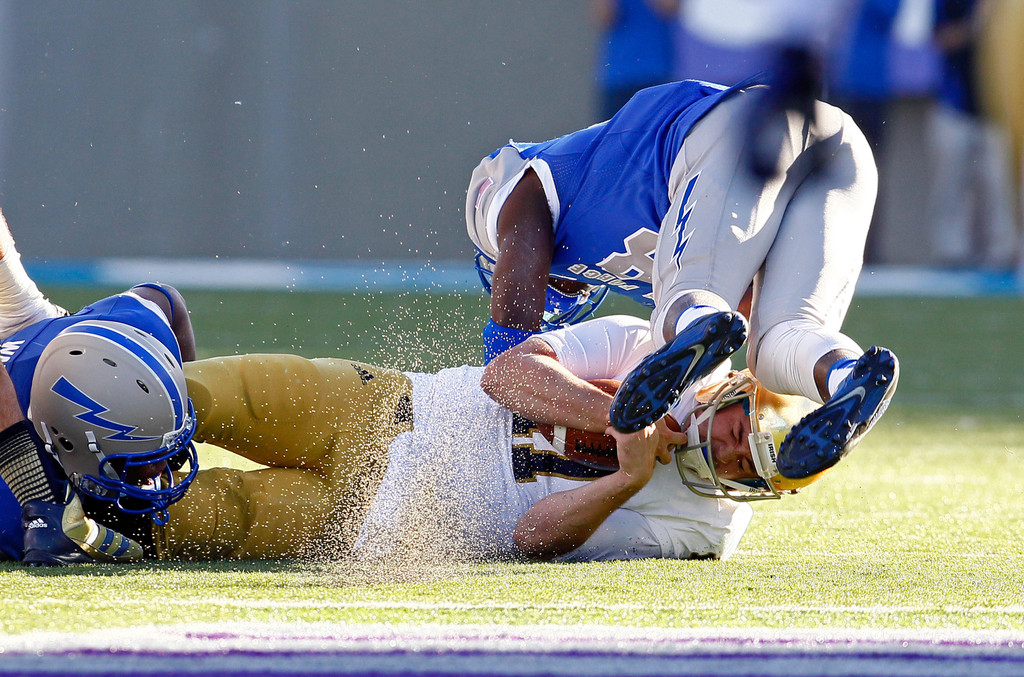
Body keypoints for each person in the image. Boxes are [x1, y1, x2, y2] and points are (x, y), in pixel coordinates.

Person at [44, 314, 841, 563]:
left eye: (747, 464)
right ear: (737, 391)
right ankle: (34, 380)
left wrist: (623, 482)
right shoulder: (650, 344)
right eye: (740, 430)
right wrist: (620, 415)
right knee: (188, 393)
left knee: (149, 523)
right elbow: (506, 378)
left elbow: (532, 538)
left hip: (367, 522)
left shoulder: (701, 528)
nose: (730, 449)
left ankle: (35, 500)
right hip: (390, 406)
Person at [466, 75, 899, 483]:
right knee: (777, 344)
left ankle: (699, 318)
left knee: (687, 304)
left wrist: (506, 351)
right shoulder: (627, 269)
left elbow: (522, 242)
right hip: (843, 152)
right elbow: (745, 309)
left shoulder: (517, 193)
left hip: (742, 128)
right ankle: (847, 376)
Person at [0, 208, 196, 564]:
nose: (160, 467)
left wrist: (179, 402)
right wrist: (38, 502)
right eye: (146, 455)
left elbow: (164, 299)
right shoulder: (7, 516)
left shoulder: (129, 325)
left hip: (38, 328)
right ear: (72, 445)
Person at [592, 0, 681, 121]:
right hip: (618, 75)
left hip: (655, 71)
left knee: (654, 134)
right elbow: (605, 17)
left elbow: (669, 8)